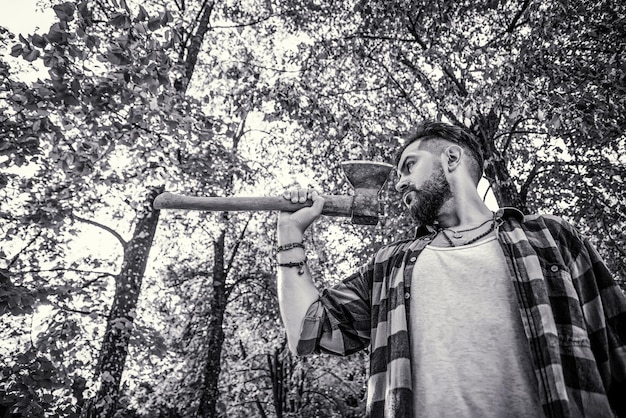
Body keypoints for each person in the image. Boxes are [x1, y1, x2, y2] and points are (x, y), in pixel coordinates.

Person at [276, 121, 626, 418]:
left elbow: (619, 343)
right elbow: (307, 331)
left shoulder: (549, 237)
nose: (398, 184)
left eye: (409, 166)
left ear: (452, 158)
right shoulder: (391, 265)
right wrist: (289, 233)